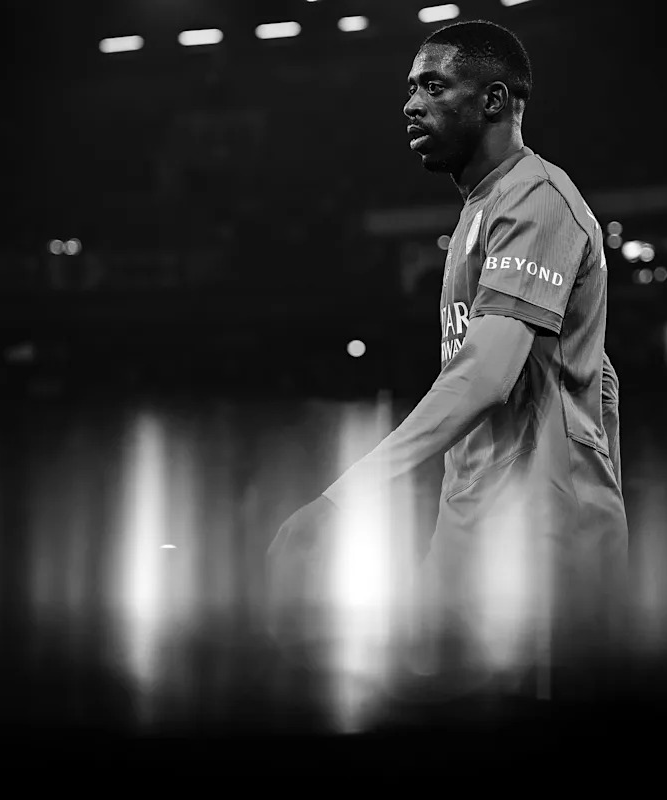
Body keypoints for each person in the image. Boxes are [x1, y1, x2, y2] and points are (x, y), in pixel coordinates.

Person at [268, 19, 628, 704]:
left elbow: (486, 375)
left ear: (494, 100)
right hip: (475, 536)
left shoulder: (537, 200)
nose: (411, 104)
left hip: (540, 552)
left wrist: (347, 495)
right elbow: (597, 377)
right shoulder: (479, 209)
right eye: (410, 89)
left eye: (434, 87)